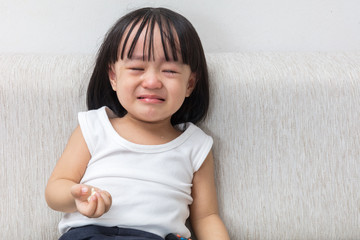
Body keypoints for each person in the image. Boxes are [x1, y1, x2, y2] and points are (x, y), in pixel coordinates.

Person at [45, 7, 230, 240]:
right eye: (136, 68)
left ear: (190, 84)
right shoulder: (94, 127)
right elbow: (54, 190)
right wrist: (78, 196)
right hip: (90, 234)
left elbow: (206, 217)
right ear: (113, 77)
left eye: (170, 71)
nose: (152, 81)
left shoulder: (196, 145)